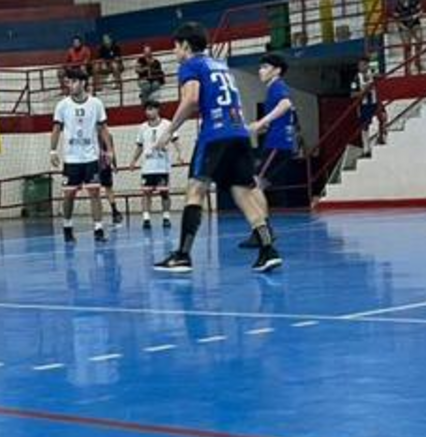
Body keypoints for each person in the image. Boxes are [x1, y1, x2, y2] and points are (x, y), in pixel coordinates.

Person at [150, 27, 279, 274]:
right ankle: (268, 250)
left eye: (176, 46)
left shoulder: (190, 65)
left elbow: (191, 99)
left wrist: (169, 131)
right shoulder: (219, 64)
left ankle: (183, 255)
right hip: (239, 133)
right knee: (243, 193)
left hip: (215, 134)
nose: (174, 51)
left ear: (186, 46)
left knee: (195, 190)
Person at [48, 68, 112, 243]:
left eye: (74, 81)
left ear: (83, 82)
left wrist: (109, 151)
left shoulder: (96, 103)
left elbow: (103, 128)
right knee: (69, 195)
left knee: (94, 193)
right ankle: (67, 227)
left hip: (91, 157)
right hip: (71, 159)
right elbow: (56, 129)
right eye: (68, 82)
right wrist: (53, 151)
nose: (70, 85)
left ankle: (98, 230)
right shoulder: (62, 105)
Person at [248, 53, 300, 201]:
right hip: (280, 142)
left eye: (265, 67)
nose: (260, 71)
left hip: (278, 143)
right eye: (260, 68)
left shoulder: (277, 86)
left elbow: (285, 104)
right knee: (261, 182)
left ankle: (259, 221)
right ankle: (261, 220)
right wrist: (263, 127)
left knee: (256, 181)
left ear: (277, 71)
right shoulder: (273, 88)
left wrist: (261, 122)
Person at [127, 101, 177, 229]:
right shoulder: (143, 127)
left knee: (164, 193)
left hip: (162, 166)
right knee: (146, 193)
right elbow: (139, 146)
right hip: (147, 167)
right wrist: (133, 160)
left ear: (157, 110)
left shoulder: (167, 124)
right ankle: (146, 218)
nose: (148, 112)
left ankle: (166, 217)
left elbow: (175, 140)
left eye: (151, 109)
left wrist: (180, 154)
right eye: (146, 110)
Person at [94, 32, 124, 97]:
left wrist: (108, 61)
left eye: (106, 39)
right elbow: (99, 58)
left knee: (114, 65)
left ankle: (118, 84)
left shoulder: (116, 46)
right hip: (106, 65)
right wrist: (103, 63)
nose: (105, 41)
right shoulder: (101, 48)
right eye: (104, 39)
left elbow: (117, 58)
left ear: (110, 39)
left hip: (117, 65)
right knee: (96, 67)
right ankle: (97, 86)